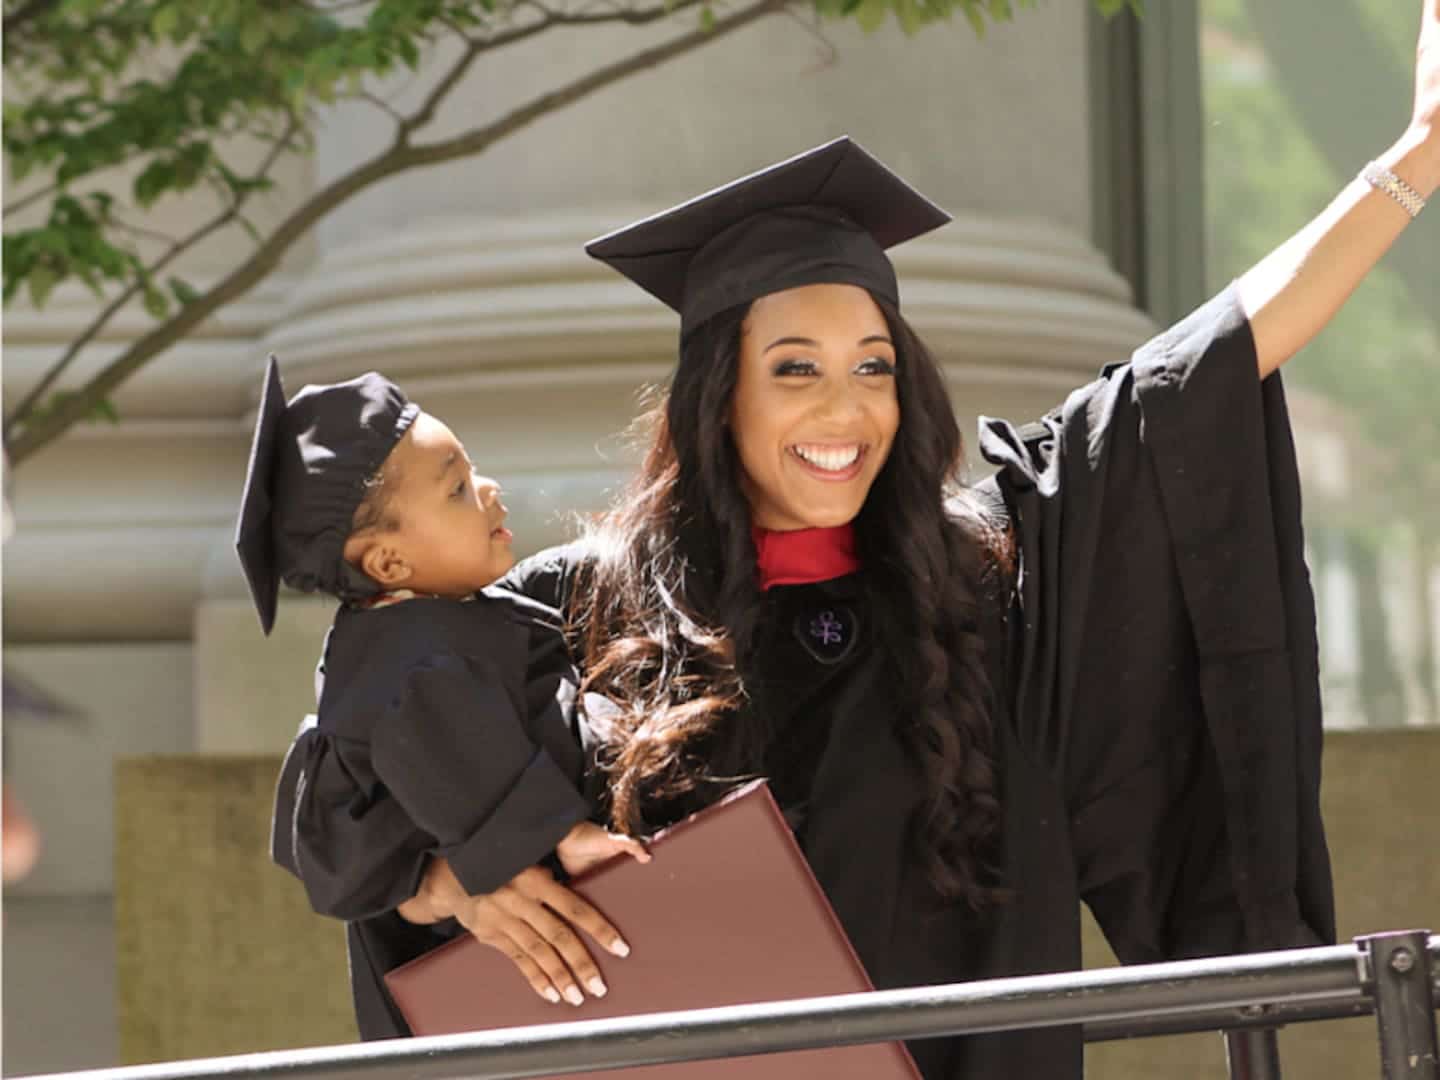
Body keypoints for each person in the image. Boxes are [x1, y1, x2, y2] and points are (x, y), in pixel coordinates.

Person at [276, 5, 1440, 1075]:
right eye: (795, 372)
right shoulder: (574, 614)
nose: (846, 412)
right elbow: (340, 792)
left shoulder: (989, 584)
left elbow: (1196, 378)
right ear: (716, 397)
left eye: (873, 367)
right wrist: (455, 885)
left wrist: (1416, 155)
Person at [237, 360, 647, 1034]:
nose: (489, 490)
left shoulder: (427, 629)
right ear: (389, 564)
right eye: (457, 489)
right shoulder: (412, 654)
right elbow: (460, 754)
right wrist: (567, 836)